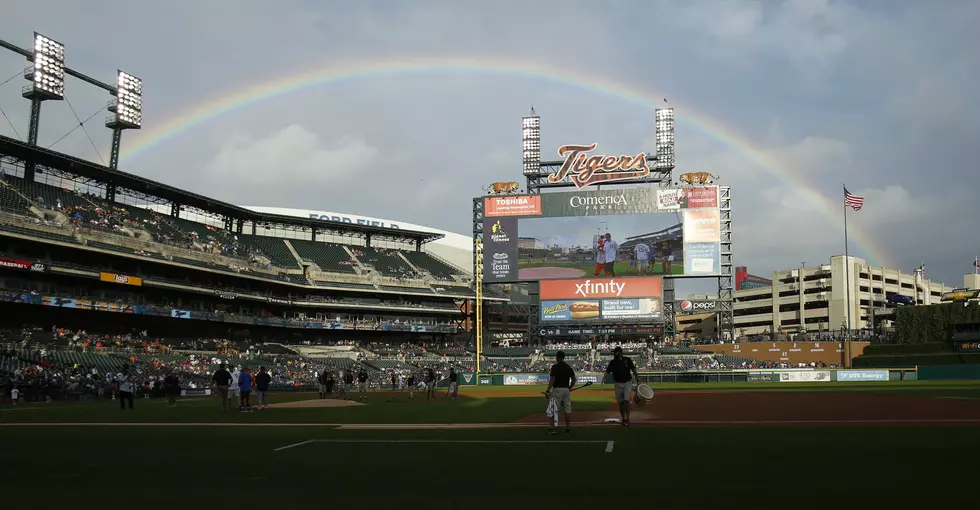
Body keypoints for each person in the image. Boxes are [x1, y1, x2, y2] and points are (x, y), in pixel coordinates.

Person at [605, 346, 640, 426]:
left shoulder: (627, 360)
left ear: (620, 352)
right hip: (617, 384)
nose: (614, 354)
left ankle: (627, 418)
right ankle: (623, 419)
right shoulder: (613, 362)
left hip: (627, 383)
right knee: (621, 403)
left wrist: (638, 379)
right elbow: (607, 371)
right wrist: (604, 378)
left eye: (615, 352)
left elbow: (633, 370)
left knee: (626, 401)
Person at [545, 350, 576, 435]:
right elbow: (574, 380)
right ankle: (568, 428)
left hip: (557, 389)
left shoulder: (555, 367)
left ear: (558, 357)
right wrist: (569, 388)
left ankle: (552, 428)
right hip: (566, 390)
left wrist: (548, 390)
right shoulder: (568, 367)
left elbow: (552, 380)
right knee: (567, 410)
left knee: (553, 408)